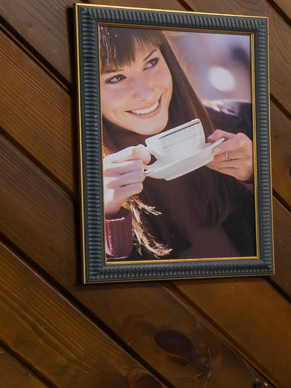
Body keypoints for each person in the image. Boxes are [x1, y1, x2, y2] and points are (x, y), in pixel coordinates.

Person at [96, 27, 257, 262]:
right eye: (115, 78)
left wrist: (259, 178)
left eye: (151, 62)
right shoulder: (80, 181)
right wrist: (103, 217)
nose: (146, 92)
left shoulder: (244, 122)